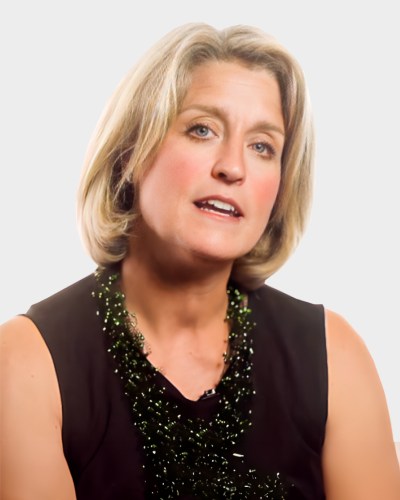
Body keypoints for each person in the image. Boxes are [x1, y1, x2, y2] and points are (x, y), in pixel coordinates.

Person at [0, 23, 399, 500]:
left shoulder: (336, 357)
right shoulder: (26, 364)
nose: (232, 167)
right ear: (132, 151)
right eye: (202, 129)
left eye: (262, 146)